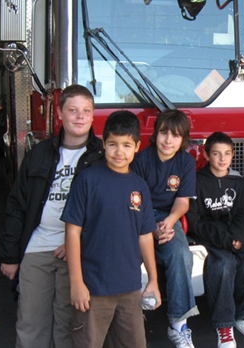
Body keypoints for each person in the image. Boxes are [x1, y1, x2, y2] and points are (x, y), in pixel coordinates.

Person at [0, 84, 104, 348]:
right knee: (30, 324)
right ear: (59, 114)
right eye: (72, 110)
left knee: (68, 326)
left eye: (86, 111)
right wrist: (10, 255)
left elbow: (109, 213)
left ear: (93, 116)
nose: (79, 117)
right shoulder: (39, 154)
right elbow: (16, 206)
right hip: (37, 247)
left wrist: (78, 243)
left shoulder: (104, 157)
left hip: (78, 254)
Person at [61, 110, 161, 347]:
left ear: (137, 147)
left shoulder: (139, 186)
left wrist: (153, 280)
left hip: (130, 289)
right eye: (113, 144)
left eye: (126, 145)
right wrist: (76, 283)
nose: (119, 152)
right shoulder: (87, 180)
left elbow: (145, 235)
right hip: (93, 289)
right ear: (103, 143)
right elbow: (72, 232)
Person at [186, 132, 244, 348]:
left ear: (232, 155)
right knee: (223, 264)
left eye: (227, 154)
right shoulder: (197, 182)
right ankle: (224, 326)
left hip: (236, 235)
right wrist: (225, 241)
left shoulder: (237, 181)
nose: (222, 159)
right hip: (211, 237)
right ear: (206, 155)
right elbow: (195, 221)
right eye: (216, 154)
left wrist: (239, 238)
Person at [131, 109, 199, 348]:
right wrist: (151, 228)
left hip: (168, 218)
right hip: (138, 216)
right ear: (155, 133)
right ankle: (128, 319)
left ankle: (178, 324)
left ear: (184, 140)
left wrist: (169, 223)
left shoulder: (186, 161)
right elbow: (136, 202)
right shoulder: (140, 160)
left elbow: (183, 202)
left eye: (176, 135)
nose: (169, 140)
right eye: (164, 133)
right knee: (125, 256)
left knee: (181, 255)